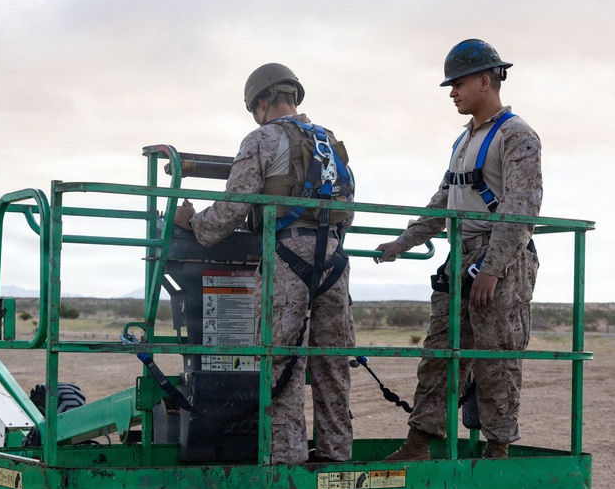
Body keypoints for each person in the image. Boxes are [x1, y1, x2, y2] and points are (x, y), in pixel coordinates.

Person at [173, 63, 356, 464]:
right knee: (331, 365)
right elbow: (349, 206)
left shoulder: (261, 138)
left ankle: (285, 467)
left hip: (289, 259)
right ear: (293, 96)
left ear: (261, 101)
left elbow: (234, 207)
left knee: (280, 364)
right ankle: (336, 461)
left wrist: (193, 223)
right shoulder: (329, 142)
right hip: (335, 261)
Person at [374, 39, 542, 460]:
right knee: (439, 354)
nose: (452, 92)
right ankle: (418, 444)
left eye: (459, 84)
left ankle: (497, 451)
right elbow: (443, 201)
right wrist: (405, 240)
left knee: (495, 360)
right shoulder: (463, 141)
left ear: (485, 81)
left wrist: (494, 268)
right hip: (460, 257)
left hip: (498, 259)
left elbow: (522, 208)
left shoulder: (517, 136)